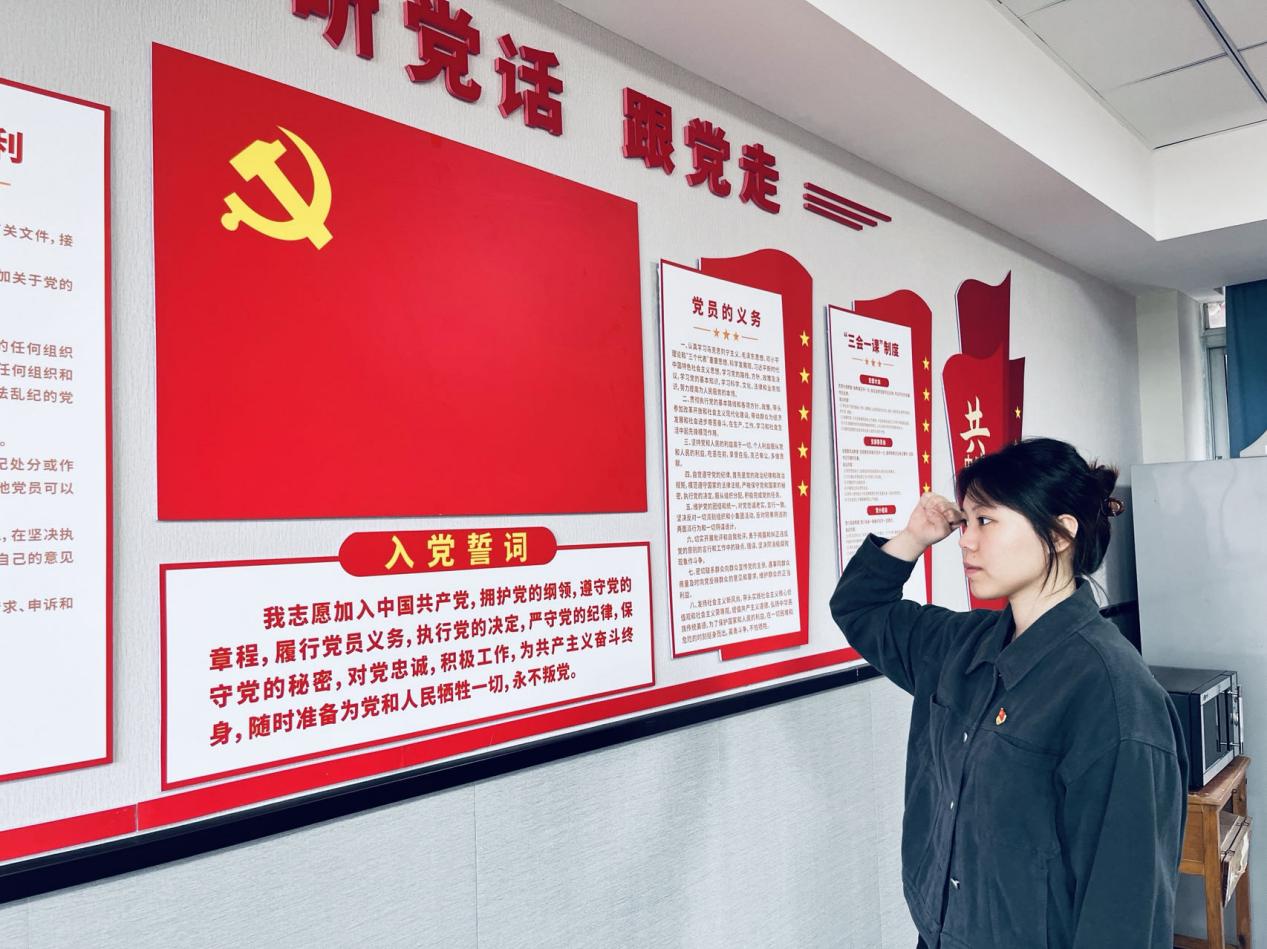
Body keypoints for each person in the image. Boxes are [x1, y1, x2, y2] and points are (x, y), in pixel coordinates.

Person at [830, 438, 1187, 949]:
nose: (965, 541)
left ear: (1060, 534)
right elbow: (859, 607)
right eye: (966, 521)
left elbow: (1127, 912)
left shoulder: (1113, 694)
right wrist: (913, 536)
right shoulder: (959, 645)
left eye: (986, 521)